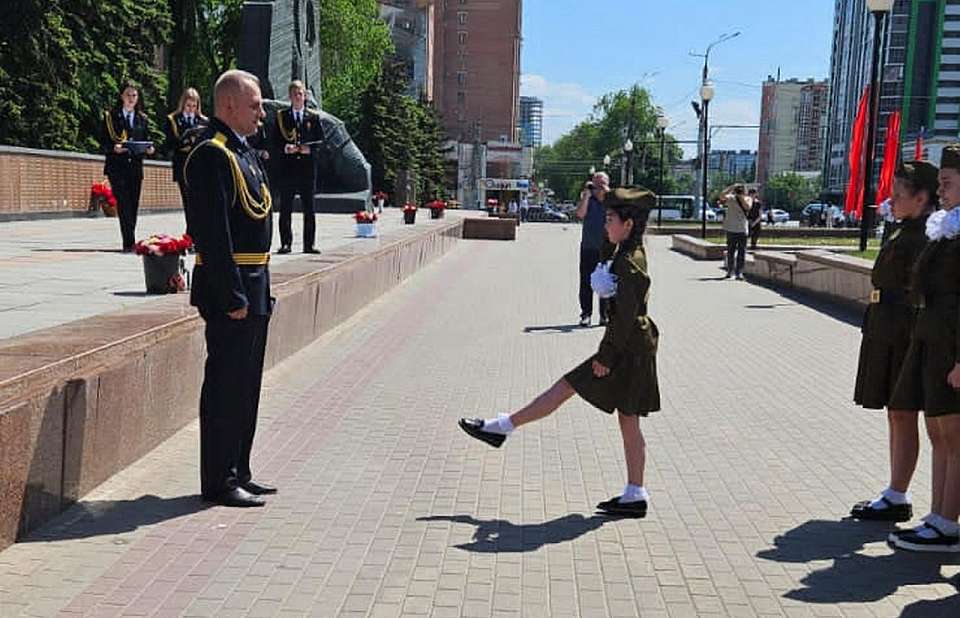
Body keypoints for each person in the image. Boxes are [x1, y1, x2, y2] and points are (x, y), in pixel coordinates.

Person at [458, 188, 661, 518]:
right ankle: (635, 493)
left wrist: (605, 358)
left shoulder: (629, 262)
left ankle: (501, 427)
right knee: (627, 420)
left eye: (610, 219)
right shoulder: (628, 251)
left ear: (627, 224)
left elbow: (624, 318)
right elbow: (621, 300)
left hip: (627, 351)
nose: (604, 225)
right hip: (634, 348)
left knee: (573, 389)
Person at [183, 69, 276, 508]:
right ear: (228, 106)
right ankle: (218, 481)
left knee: (247, 386)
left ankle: (240, 470)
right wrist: (233, 295)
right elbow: (213, 234)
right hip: (232, 289)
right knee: (225, 387)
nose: (262, 112)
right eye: (254, 104)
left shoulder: (244, 152)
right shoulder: (209, 155)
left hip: (255, 284)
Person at [850, 161, 938, 527]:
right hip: (887, 326)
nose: (892, 200)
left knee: (904, 411)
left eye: (899, 195)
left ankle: (899, 494)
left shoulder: (926, 237)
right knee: (895, 412)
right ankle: (894, 491)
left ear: (921, 198)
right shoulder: (907, 230)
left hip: (905, 329)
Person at [885, 145, 960, 551]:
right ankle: (937, 515)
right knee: (939, 432)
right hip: (934, 335)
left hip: (951, 340)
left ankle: (949, 523)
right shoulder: (946, 226)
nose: (941, 190)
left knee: (954, 435)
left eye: (948, 183)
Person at [100, 81, 155, 251]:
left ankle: (129, 238)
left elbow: (147, 140)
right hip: (117, 167)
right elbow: (103, 141)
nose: (131, 99)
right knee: (123, 203)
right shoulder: (111, 117)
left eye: (134, 95)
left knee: (133, 204)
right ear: (122, 96)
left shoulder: (142, 119)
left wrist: (150, 149)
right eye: (128, 95)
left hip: (135, 167)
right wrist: (113, 148)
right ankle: (129, 242)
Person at [272, 80, 322, 254]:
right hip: (289, 169)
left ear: (305, 96)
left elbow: (321, 142)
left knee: (309, 208)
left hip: (307, 170)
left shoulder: (313, 117)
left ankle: (309, 244)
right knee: (286, 208)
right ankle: (286, 243)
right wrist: (286, 148)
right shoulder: (282, 117)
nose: (298, 97)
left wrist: (310, 149)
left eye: (300, 94)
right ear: (290, 97)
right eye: (294, 94)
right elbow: (275, 142)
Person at [163, 88, 209, 218]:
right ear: (183, 104)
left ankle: (198, 232)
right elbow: (168, 145)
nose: (191, 109)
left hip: (199, 165)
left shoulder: (203, 121)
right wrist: (184, 139)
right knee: (188, 200)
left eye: (194, 106)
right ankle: (191, 233)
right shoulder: (173, 119)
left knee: (199, 201)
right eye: (188, 105)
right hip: (182, 163)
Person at [575, 172, 613, 326]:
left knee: (606, 283)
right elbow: (580, 214)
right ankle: (586, 314)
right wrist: (586, 196)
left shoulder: (611, 200)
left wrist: (607, 192)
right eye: (595, 184)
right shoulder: (588, 199)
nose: (597, 188)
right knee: (586, 282)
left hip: (607, 248)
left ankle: (604, 315)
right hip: (588, 247)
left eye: (600, 184)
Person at [722, 184, 751, 280]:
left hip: (742, 229)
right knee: (730, 251)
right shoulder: (731, 198)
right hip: (731, 228)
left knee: (741, 252)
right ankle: (730, 271)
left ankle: (739, 273)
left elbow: (747, 207)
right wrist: (732, 187)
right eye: (739, 190)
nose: (740, 191)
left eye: (742, 190)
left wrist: (741, 197)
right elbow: (721, 196)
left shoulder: (748, 199)